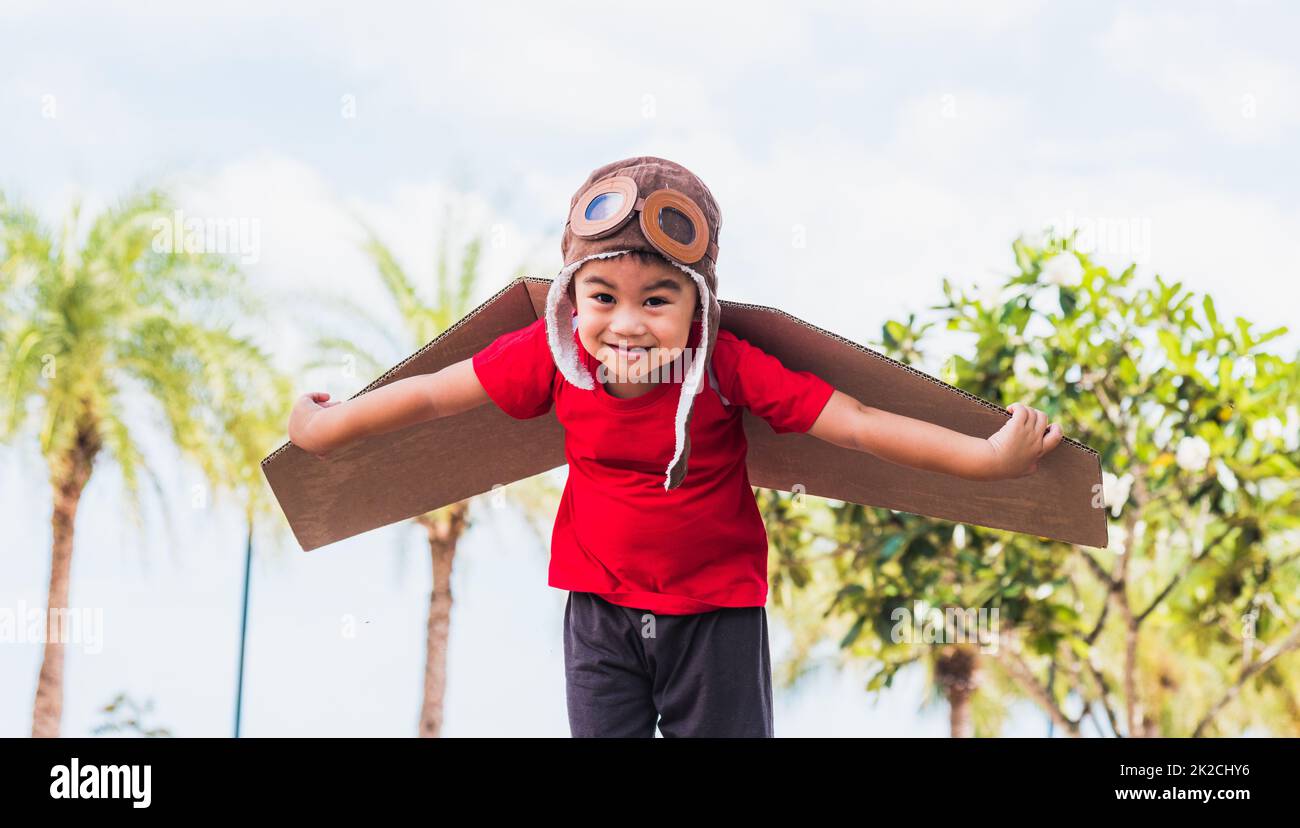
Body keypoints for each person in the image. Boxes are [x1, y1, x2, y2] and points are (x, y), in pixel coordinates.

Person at [286, 156, 1063, 737]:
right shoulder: (551, 353)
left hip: (714, 616)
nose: (627, 323)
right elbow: (429, 393)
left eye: (657, 300)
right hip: (601, 612)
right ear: (571, 297)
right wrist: (329, 428)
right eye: (603, 297)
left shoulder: (725, 367)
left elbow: (857, 422)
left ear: (699, 303)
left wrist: (986, 458)